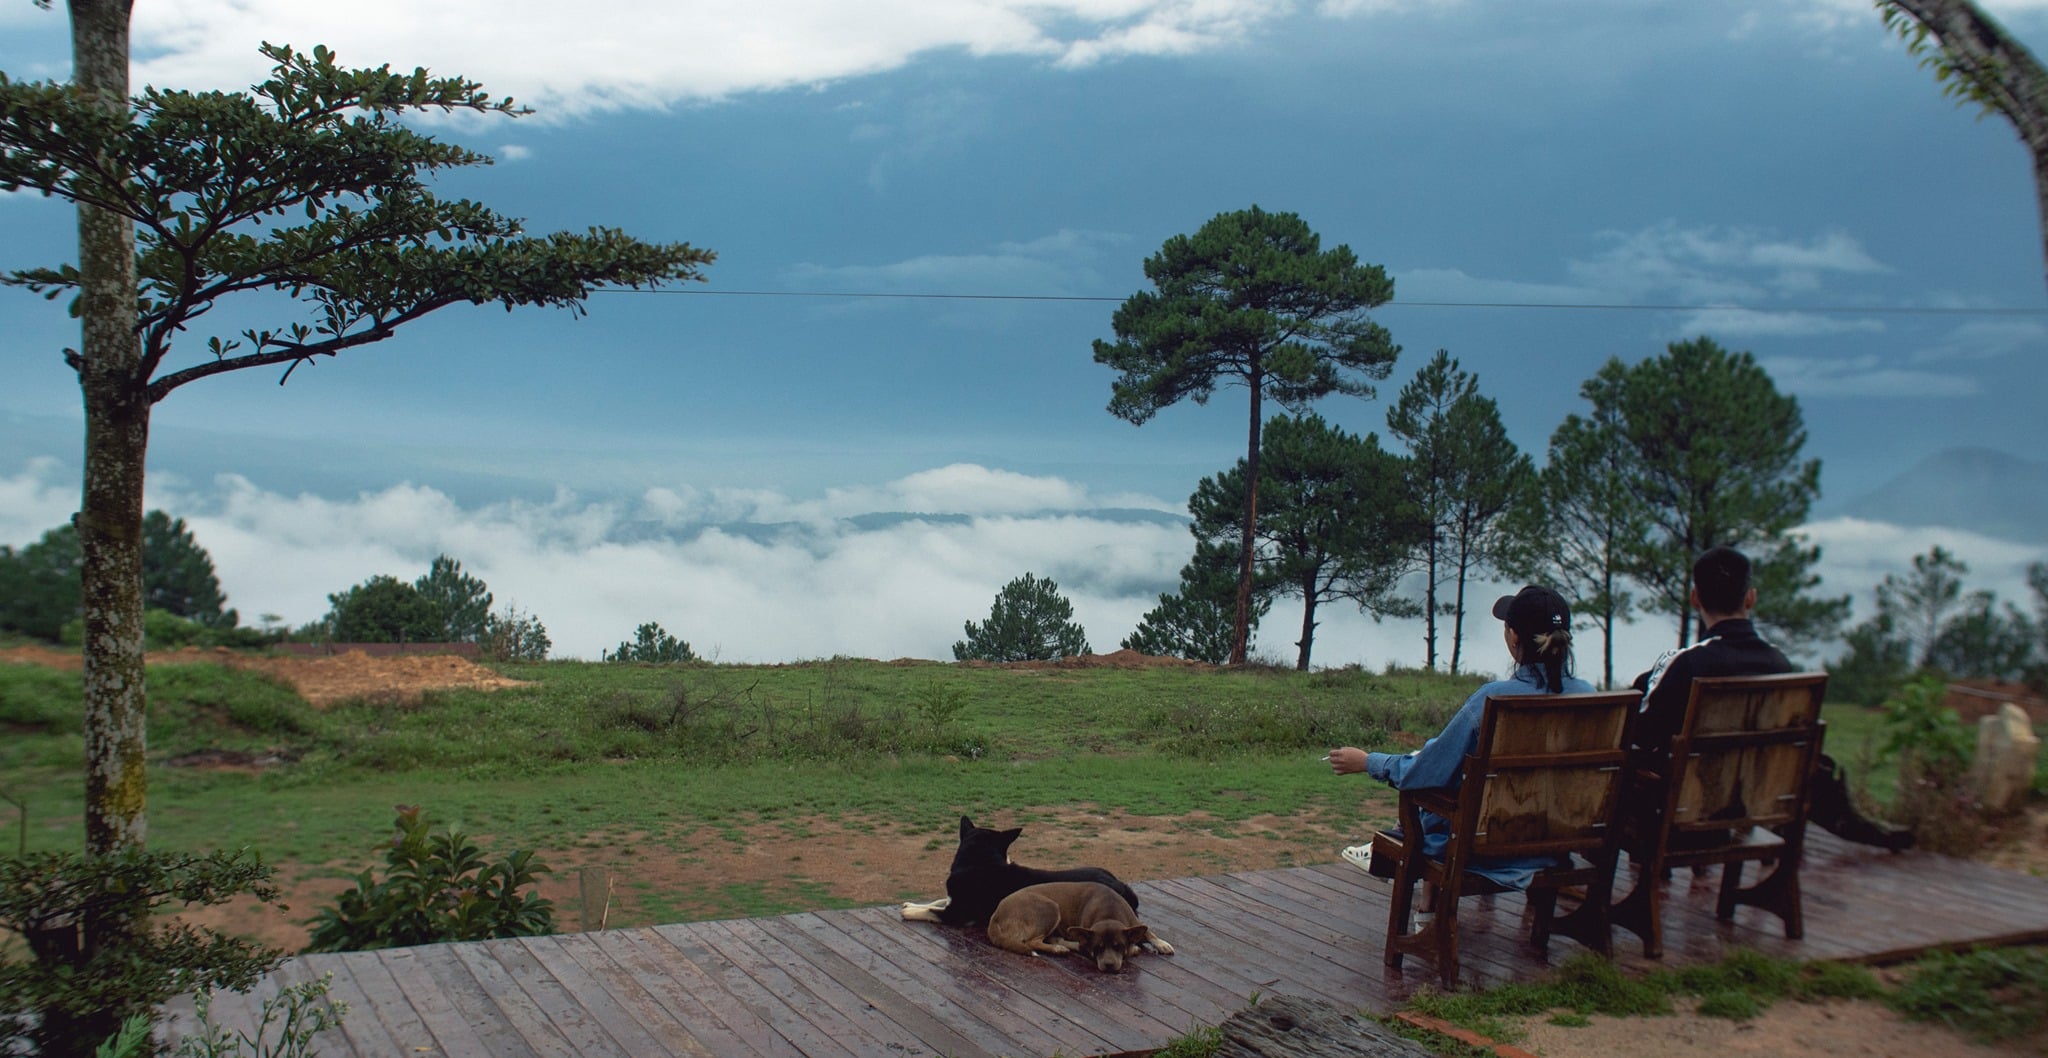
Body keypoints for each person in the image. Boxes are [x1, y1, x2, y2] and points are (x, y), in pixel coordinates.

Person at [1631, 545, 1912, 851]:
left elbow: (1643, 734)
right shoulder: (1779, 667)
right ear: (1750, 597)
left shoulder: (1688, 664)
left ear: (1695, 598)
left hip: (1683, 811)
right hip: (1750, 804)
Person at [1328, 584, 1594, 889]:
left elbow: (1426, 772)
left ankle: (1403, 864)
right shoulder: (1587, 696)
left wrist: (1369, 762)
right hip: (1552, 845)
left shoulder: (1494, 699)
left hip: (1484, 849)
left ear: (1514, 636)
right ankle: (1425, 903)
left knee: (1434, 788)